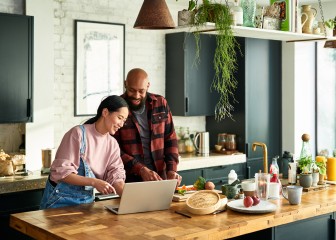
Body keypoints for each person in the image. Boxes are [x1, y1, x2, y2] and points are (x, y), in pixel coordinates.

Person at [40, 95, 129, 209]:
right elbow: (62, 174)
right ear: (105, 112)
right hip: (59, 202)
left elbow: (116, 175)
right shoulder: (78, 134)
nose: (121, 124)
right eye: (120, 118)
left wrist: (130, 199)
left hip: (86, 203)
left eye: (124, 120)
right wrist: (94, 182)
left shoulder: (112, 144)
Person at [113, 68, 182, 185]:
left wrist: (171, 170)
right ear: (125, 84)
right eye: (131, 90)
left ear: (148, 86)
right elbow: (114, 149)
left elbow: (170, 138)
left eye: (141, 91)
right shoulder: (116, 108)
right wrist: (140, 169)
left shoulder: (160, 103)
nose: (136, 95)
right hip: (130, 179)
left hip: (160, 177)